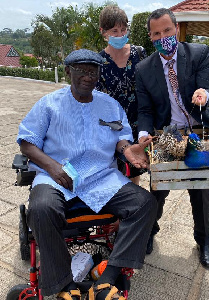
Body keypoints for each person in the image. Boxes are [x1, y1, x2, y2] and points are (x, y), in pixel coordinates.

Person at [17, 49, 156, 300]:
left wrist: (127, 150)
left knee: (144, 203)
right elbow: (27, 143)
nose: (88, 76)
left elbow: (119, 138)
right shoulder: (49, 105)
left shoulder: (110, 106)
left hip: (100, 177)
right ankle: (63, 284)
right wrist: (51, 167)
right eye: (81, 70)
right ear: (68, 71)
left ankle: (108, 279)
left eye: (93, 71)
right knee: (40, 208)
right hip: (56, 177)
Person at [135, 8, 209, 268]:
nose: (163, 37)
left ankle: (203, 242)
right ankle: (150, 232)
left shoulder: (197, 53)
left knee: (201, 190)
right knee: (158, 189)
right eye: (157, 33)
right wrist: (143, 132)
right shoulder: (144, 69)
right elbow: (145, 110)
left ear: (176, 28)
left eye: (167, 31)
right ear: (150, 37)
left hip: (197, 130)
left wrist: (204, 95)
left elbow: (208, 86)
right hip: (167, 134)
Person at [96, 5, 147, 185]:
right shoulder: (98, 62)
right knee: (112, 177)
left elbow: (148, 88)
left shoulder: (139, 54)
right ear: (103, 31)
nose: (120, 35)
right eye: (114, 31)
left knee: (134, 175)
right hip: (111, 128)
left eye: (123, 30)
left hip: (136, 124)